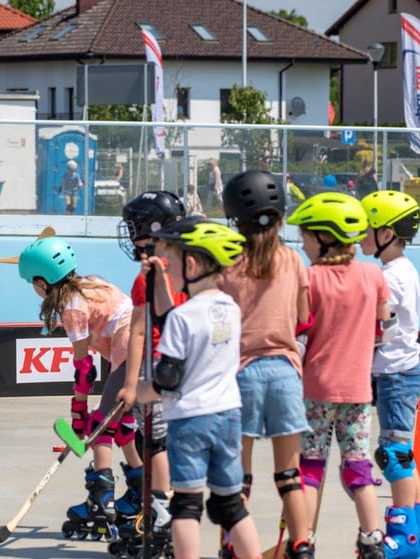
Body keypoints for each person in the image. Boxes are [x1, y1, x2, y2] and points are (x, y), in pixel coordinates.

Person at [136, 217, 262, 559]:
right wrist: (159, 280)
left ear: (190, 264)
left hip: (191, 420)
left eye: (171, 263)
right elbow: (171, 316)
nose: (169, 270)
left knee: (187, 506)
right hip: (228, 415)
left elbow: (167, 378)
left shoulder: (184, 317)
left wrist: (141, 391)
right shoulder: (229, 309)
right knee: (231, 505)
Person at [286, 192, 391, 558]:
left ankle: (303, 539)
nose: (303, 244)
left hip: (315, 387)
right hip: (358, 390)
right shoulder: (373, 274)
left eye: (306, 237)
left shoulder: (309, 278)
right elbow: (386, 323)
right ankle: (372, 537)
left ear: (325, 237)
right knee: (358, 465)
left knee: (310, 467)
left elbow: (298, 329)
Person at [17, 236, 141, 539]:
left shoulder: (72, 309)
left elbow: (84, 368)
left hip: (131, 347)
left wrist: (79, 414)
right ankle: (140, 492)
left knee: (101, 425)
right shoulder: (93, 285)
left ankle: (101, 501)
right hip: (145, 345)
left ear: (42, 281)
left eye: (32, 283)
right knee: (122, 423)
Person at [219, 170, 313, 559]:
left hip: (241, 375)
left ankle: (233, 547)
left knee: (237, 480)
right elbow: (304, 318)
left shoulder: (228, 263)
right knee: (290, 476)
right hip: (286, 373)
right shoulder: (293, 259)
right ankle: (303, 546)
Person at [360, 191, 420, 559]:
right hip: (399, 373)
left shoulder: (392, 277)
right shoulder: (401, 270)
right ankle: (417, 532)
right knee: (402, 455)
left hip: (397, 376)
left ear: (387, 233)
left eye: (367, 229)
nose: (360, 237)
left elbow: (381, 325)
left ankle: (403, 535)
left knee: (394, 456)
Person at [113, 190, 188, 552]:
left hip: (158, 368)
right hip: (193, 369)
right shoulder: (193, 266)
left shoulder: (147, 277)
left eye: (135, 228)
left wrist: (130, 385)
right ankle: (174, 506)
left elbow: (138, 331)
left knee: (155, 441)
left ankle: (161, 509)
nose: (131, 237)